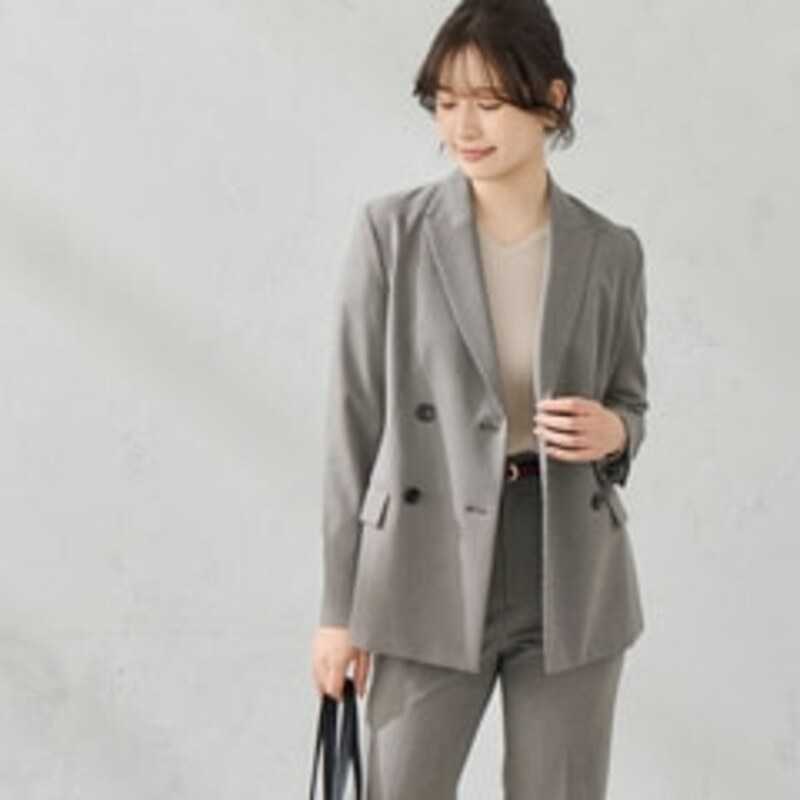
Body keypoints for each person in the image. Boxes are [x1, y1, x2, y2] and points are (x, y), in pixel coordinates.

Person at [311, 0, 649, 796]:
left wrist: (615, 431)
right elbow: (353, 425)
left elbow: (630, 401)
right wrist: (338, 609)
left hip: (567, 564)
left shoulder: (610, 251)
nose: (463, 126)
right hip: (424, 559)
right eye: (446, 102)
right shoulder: (392, 233)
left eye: (489, 103)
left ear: (552, 101)